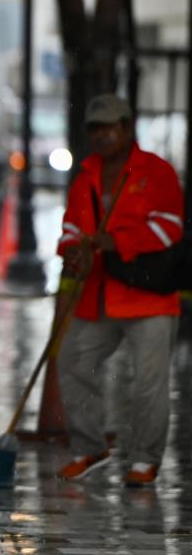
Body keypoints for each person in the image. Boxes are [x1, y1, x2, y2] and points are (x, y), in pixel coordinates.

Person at [56, 93, 184, 486]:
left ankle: (145, 460)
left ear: (127, 127)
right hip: (97, 296)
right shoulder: (85, 177)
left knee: (148, 384)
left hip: (148, 297)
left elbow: (170, 227)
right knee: (73, 361)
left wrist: (116, 242)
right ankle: (90, 445)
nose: (101, 135)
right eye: (94, 128)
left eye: (109, 126)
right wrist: (72, 251)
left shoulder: (156, 171)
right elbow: (71, 229)